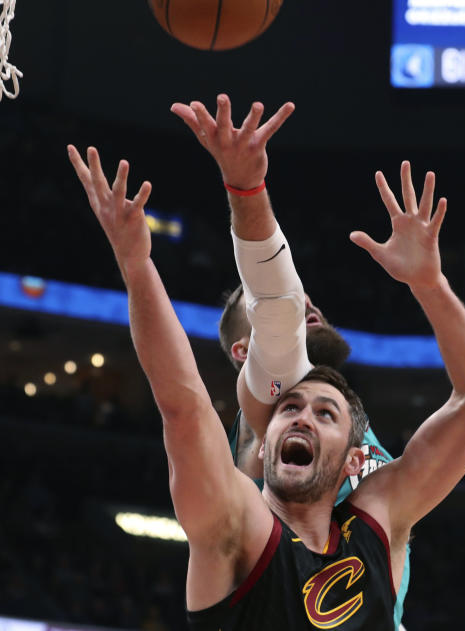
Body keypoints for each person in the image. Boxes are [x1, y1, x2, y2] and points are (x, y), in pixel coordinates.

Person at [66, 141, 465, 629]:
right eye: (292, 408)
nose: (302, 413)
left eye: (324, 413)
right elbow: (187, 397)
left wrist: (432, 284)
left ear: (352, 456)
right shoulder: (255, 441)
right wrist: (143, 262)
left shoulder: (372, 509)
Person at [169, 96, 409, 628]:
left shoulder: (332, 410)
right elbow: (276, 298)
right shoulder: (271, 409)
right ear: (245, 353)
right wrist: (246, 189)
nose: (309, 306)